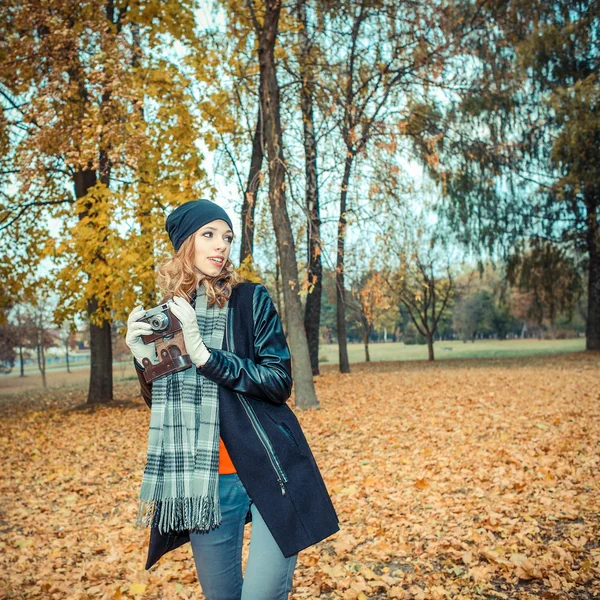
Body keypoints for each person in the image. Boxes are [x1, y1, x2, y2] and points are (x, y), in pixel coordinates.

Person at [125, 199, 340, 600]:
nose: (221, 245)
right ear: (185, 243)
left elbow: (278, 381)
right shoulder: (169, 316)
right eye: (208, 234)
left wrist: (205, 356)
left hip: (269, 470)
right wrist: (143, 359)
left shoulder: (250, 300)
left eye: (226, 236)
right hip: (204, 481)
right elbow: (165, 404)